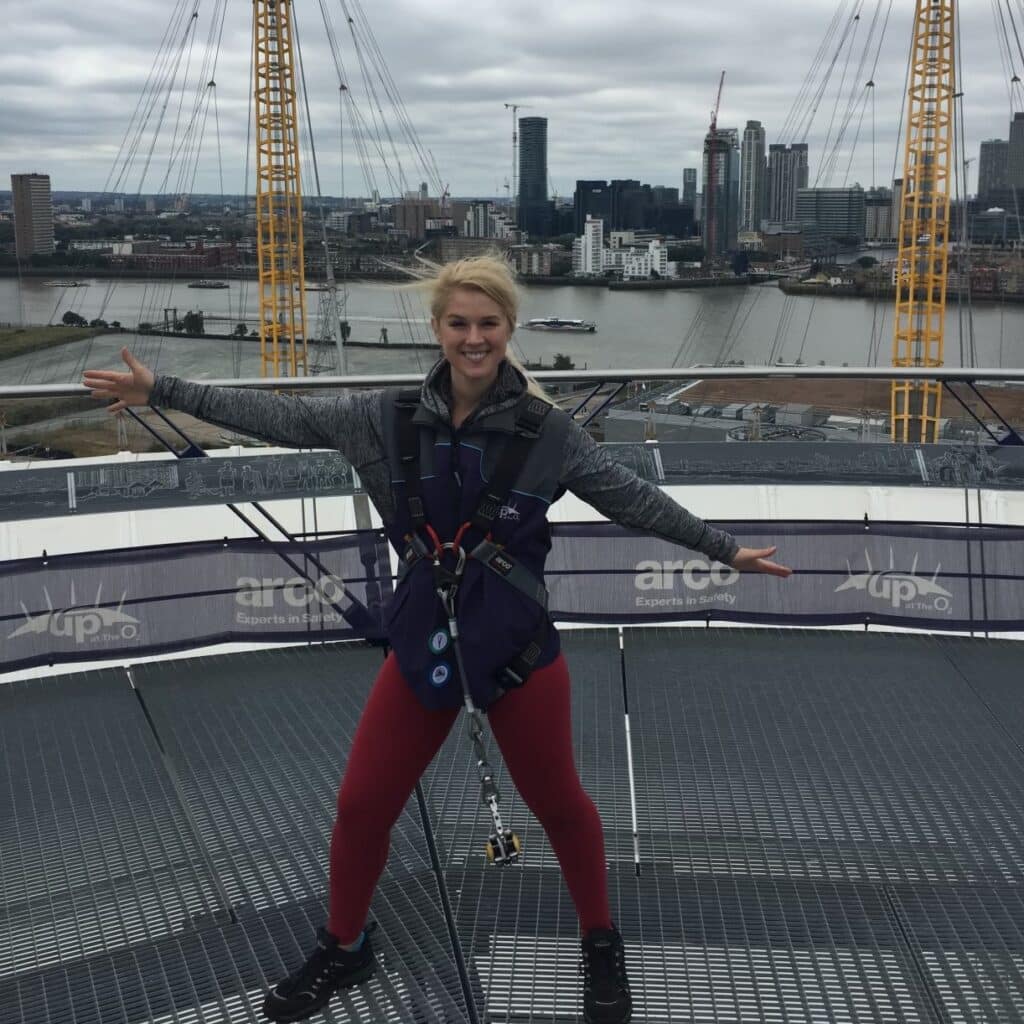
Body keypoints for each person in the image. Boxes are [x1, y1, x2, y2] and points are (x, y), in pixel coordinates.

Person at [83, 256, 792, 1024]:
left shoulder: (547, 435)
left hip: (516, 652)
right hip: (426, 646)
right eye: (459, 323)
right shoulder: (381, 421)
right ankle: (347, 945)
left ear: (509, 331)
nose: (474, 338)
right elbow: (274, 416)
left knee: (560, 806)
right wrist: (162, 391)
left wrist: (725, 549)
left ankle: (599, 940)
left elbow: (633, 499)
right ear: (438, 330)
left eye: (488, 324)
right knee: (361, 807)